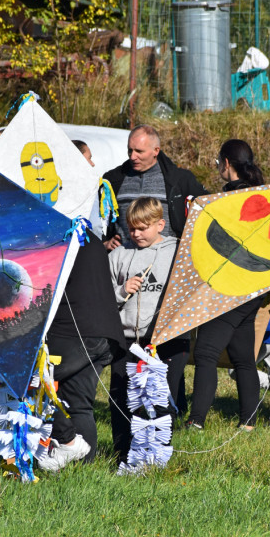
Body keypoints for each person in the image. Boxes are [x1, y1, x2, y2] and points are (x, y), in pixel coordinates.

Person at [186, 139, 267, 429]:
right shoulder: (262, 195)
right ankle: (248, 421)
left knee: (206, 350)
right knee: (242, 356)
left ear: (227, 164)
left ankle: (196, 420)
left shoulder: (227, 200)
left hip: (229, 286)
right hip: (255, 286)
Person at [108, 197, 188, 462]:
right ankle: (123, 454)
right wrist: (122, 291)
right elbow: (102, 296)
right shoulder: (119, 254)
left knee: (161, 398)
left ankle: (158, 456)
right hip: (127, 340)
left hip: (166, 339)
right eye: (132, 228)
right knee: (121, 397)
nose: (136, 233)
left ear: (160, 224)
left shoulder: (177, 251)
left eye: (143, 227)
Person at [38, 233, 125, 472]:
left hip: (73, 331)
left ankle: (69, 442)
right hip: (103, 332)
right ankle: (82, 471)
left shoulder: (57, 235)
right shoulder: (89, 236)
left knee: (30, 386)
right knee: (79, 404)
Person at [103, 124, 207, 250]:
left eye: (139, 151)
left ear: (156, 151)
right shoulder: (112, 180)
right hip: (124, 261)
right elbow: (95, 221)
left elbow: (207, 212)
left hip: (166, 261)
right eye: (130, 150)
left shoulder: (180, 180)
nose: (132, 156)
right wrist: (104, 243)